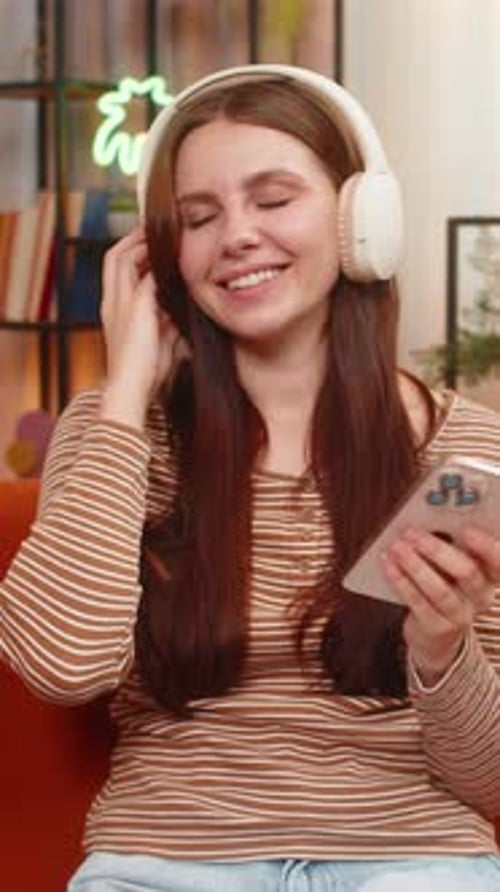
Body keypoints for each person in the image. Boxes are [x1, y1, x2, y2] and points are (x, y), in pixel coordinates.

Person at [1, 64, 500, 892]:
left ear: (360, 222)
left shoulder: (467, 452)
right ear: (165, 256)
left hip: (409, 858)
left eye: (272, 201)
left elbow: (490, 781)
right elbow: (62, 666)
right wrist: (124, 387)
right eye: (199, 218)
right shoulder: (117, 431)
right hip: (164, 862)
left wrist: (443, 648)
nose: (236, 235)